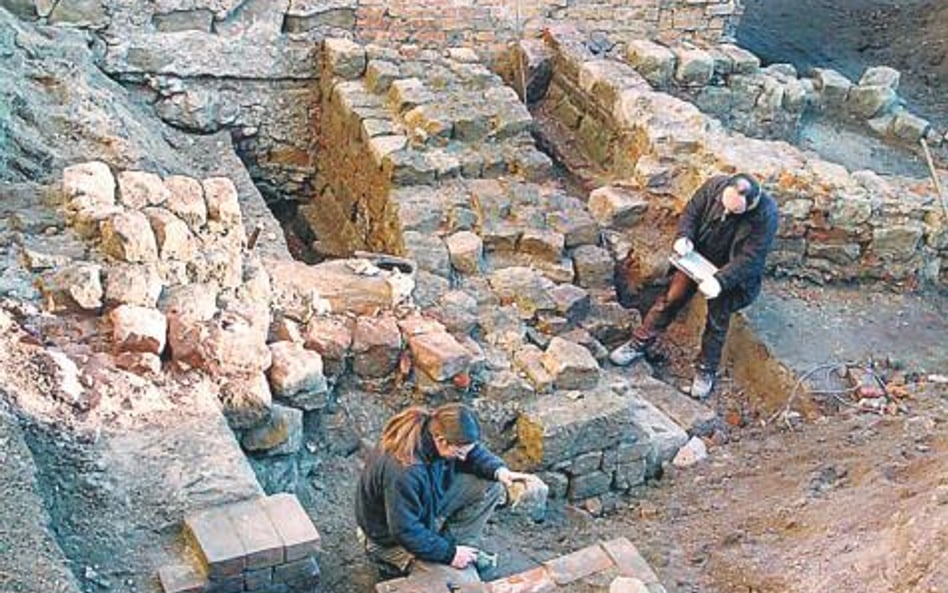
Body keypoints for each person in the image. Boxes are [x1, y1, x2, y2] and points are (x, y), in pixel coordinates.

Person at [609, 172, 779, 399]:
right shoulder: (714, 187)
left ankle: (705, 370)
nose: (727, 213)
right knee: (671, 298)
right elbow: (692, 212)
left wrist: (720, 280)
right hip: (697, 258)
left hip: (730, 273)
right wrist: (684, 237)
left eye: (734, 212)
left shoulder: (766, 215)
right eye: (725, 207)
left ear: (751, 204)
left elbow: (751, 257)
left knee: (717, 320)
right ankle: (639, 342)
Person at [354, 403, 533, 578]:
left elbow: (471, 452)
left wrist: (500, 471)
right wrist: (449, 554)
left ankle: (456, 546)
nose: (463, 457)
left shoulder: (434, 428)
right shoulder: (406, 471)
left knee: (491, 486)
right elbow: (404, 530)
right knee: (444, 579)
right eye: (459, 453)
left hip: (424, 502)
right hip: (388, 538)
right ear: (441, 441)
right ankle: (397, 563)